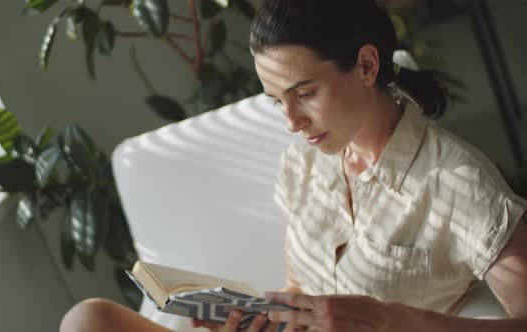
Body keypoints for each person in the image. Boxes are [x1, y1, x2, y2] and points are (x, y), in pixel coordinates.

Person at [59, 0, 527, 331]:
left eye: (305, 94)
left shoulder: (457, 183)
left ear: (366, 66)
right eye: (277, 101)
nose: (292, 121)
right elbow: (298, 287)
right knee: (88, 319)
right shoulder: (305, 163)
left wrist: (391, 321)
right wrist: (258, 323)